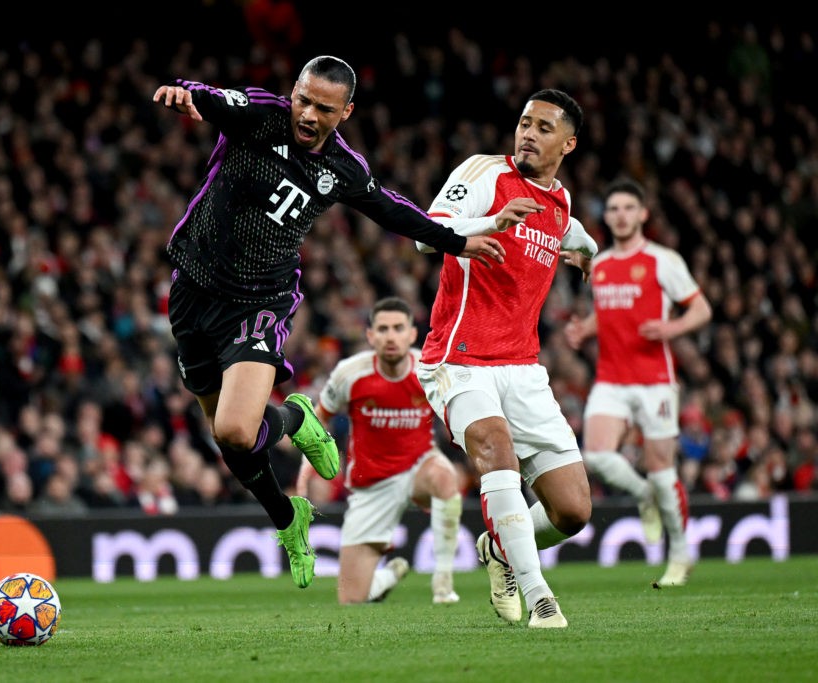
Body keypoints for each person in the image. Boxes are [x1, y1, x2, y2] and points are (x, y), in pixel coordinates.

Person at [152, 55, 505, 590]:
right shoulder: (262, 116)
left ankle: (294, 419)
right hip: (193, 288)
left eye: (324, 107)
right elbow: (213, 95)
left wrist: (456, 241)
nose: (309, 114)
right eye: (304, 99)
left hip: (258, 300)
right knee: (229, 444)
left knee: (234, 428)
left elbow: (390, 208)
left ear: (346, 111)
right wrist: (186, 94)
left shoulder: (342, 168)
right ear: (292, 92)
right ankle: (288, 518)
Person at [415, 89, 598, 628]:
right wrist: (491, 223)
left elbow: (579, 237)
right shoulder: (483, 173)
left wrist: (586, 255)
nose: (528, 134)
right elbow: (427, 238)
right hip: (460, 358)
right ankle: (541, 596)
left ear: (568, 144)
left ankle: (500, 549)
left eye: (543, 128)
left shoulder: (559, 203)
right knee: (496, 449)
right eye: (524, 123)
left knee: (573, 511)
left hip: (523, 368)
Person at [564, 178, 712, 588]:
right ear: (606, 216)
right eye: (613, 209)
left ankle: (680, 555)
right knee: (595, 455)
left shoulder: (663, 260)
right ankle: (643, 495)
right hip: (611, 377)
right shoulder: (602, 264)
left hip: (654, 380)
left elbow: (701, 309)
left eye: (629, 207)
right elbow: (612, 310)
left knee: (662, 468)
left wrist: (671, 326)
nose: (621, 215)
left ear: (643, 214)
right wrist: (585, 331)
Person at [300, 296, 462, 605]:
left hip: (418, 468)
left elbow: (458, 417)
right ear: (371, 336)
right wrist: (312, 469)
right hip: (370, 485)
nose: (391, 336)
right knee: (351, 600)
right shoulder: (350, 373)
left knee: (444, 476)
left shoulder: (430, 371)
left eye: (398, 328)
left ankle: (443, 582)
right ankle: (386, 577)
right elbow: (318, 420)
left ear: (412, 335)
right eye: (383, 329)